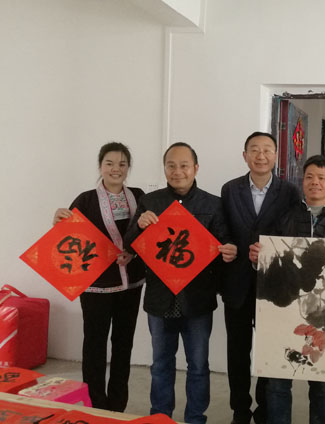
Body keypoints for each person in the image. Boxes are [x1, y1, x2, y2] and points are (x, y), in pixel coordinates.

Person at [124, 142, 237, 424]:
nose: (177, 171)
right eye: (171, 165)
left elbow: (225, 243)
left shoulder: (212, 204)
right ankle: (160, 418)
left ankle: (195, 418)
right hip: (160, 299)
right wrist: (139, 226)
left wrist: (229, 251)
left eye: (184, 165)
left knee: (198, 366)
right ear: (164, 169)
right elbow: (129, 246)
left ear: (195, 168)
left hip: (197, 299)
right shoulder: (150, 202)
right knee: (161, 364)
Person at [249, 155, 325, 424]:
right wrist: (258, 257)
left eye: (321, 178)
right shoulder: (285, 217)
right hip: (285, 307)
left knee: (322, 383)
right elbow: (271, 259)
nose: (315, 182)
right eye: (309, 177)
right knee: (279, 381)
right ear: (302, 182)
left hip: (323, 311)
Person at [52, 142, 145, 412]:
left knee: (123, 344)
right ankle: (94, 405)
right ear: (100, 166)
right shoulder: (85, 200)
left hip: (131, 284)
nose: (116, 169)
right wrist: (58, 219)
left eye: (122, 164)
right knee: (94, 344)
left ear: (128, 167)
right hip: (95, 286)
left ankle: (117, 406)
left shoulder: (139, 197)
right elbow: (67, 238)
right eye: (109, 163)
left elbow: (151, 235)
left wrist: (133, 252)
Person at [221, 132, 301, 424]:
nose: (261, 155)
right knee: (237, 352)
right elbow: (223, 228)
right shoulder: (230, 189)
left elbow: (293, 236)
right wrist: (228, 245)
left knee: (271, 350)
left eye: (267, 150)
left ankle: (265, 409)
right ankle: (240, 411)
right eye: (254, 150)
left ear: (276, 156)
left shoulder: (290, 192)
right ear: (245, 156)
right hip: (237, 283)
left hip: (275, 285)